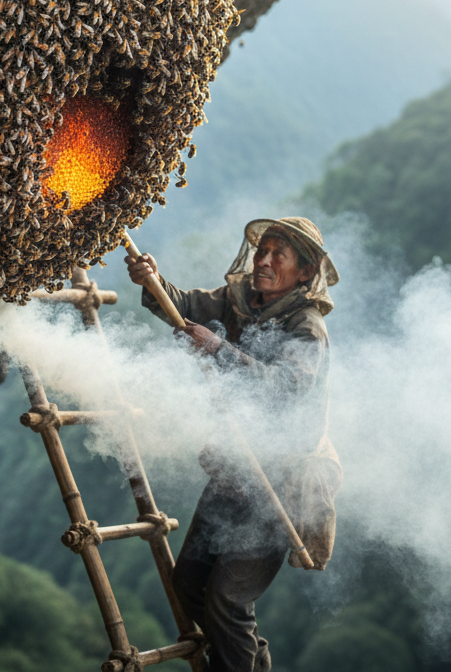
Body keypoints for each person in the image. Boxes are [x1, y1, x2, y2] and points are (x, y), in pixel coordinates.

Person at [125, 217, 342, 672]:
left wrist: (217, 350)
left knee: (227, 599)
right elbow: (182, 306)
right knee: (187, 584)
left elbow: (285, 388)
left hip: (279, 482)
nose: (263, 261)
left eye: (276, 256)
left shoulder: (306, 327)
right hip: (235, 469)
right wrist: (152, 279)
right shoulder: (239, 300)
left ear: (305, 272)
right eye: (261, 252)